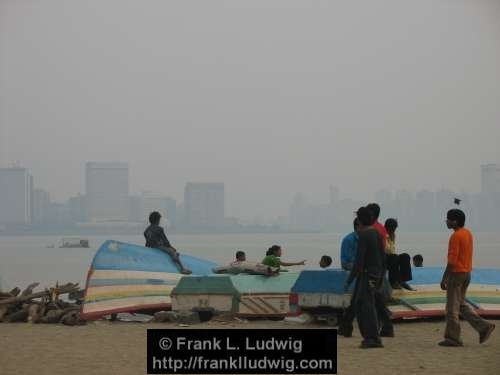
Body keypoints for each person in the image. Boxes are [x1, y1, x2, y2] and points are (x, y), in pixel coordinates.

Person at [438, 209, 495, 347]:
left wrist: (444, 278)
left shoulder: (455, 236)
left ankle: (453, 338)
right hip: (466, 273)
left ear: (455, 221)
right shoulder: (467, 233)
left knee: (452, 308)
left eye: (448, 219)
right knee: (461, 304)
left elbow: (452, 261)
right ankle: (483, 327)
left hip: (456, 274)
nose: (446, 221)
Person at [344, 206, 393, 348]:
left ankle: (372, 338)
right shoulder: (376, 233)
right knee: (364, 304)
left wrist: (349, 280)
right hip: (376, 274)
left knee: (365, 306)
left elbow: (359, 262)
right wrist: (381, 275)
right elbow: (383, 257)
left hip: (367, 275)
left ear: (359, 220)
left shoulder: (364, 235)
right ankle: (371, 336)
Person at [338, 217, 361, 337]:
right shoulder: (349, 239)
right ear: (358, 226)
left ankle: (345, 327)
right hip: (351, 265)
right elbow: (347, 260)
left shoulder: (364, 238)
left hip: (359, 268)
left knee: (356, 301)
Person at [384, 218, 413, 290]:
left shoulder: (392, 235)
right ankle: (393, 282)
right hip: (382, 258)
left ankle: (402, 280)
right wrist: (388, 236)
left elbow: (392, 250)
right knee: (394, 257)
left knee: (405, 256)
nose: (394, 230)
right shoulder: (383, 235)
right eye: (393, 228)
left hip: (391, 257)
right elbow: (387, 250)